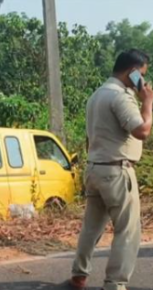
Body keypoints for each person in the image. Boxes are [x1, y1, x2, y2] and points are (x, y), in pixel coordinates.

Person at [70, 49, 153, 290]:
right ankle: (115, 284)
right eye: (142, 75)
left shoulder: (96, 95)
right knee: (128, 231)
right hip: (117, 171)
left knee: (91, 227)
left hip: (95, 168)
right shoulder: (120, 97)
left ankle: (79, 274)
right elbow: (142, 131)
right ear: (133, 72)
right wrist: (147, 103)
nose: (143, 81)